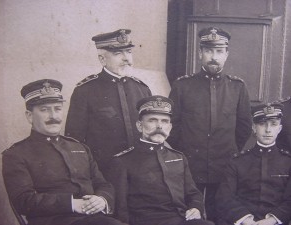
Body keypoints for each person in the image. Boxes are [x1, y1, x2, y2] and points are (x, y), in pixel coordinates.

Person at [2, 79, 125, 225]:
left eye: (57, 109)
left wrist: (102, 199)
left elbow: (103, 184)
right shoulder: (16, 154)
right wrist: (72, 204)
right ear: (29, 116)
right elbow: (23, 201)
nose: (53, 116)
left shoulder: (80, 148)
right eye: (44, 110)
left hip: (94, 219)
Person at [168, 27, 252, 221]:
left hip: (224, 163)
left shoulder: (237, 87)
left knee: (221, 213)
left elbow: (244, 127)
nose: (213, 56)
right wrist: (184, 152)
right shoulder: (182, 86)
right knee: (189, 213)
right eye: (208, 51)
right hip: (190, 164)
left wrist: (229, 151)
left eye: (219, 51)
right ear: (200, 53)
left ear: (226, 54)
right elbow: (173, 126)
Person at [107, 95, 214, 225]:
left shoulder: (179, 158)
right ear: (139, 126)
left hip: (181, 219)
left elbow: (193, 193)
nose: (159, 126)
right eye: (152, 120)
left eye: (164, 121)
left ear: (170, 127)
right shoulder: (123, 161)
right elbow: (120, 207)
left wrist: (196, 208)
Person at [65, 29, 152, 176]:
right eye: (118, 54)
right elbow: (75, 141)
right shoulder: (85, 90)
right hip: (104, 173)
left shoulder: (142, 89)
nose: (127, 59)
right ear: (102, 59)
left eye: (129, 52)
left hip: (141, 172)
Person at [215, 103, 291, 225]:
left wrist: (271, 220)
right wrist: (246, 220)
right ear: (254, 128)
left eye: (273, 124)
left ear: (280, 129)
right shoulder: (236, 162)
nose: (268, 129)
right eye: (262, 124)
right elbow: (225, 197)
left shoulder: (288, 162)